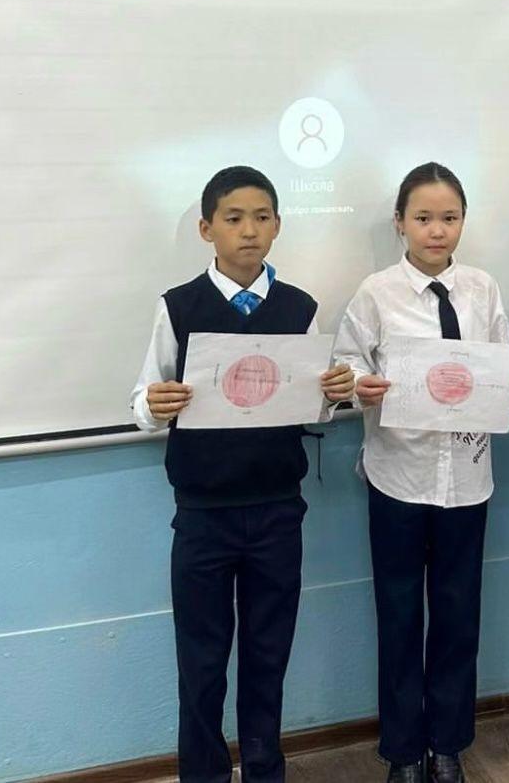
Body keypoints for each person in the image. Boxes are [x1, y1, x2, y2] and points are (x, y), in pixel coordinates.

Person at [130, 166, 355, 783]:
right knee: (201, 662)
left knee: (267, 653)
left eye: (261, 218)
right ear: (208, 229)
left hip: (278, 508)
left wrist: (334, 392)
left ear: (278, 225)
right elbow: (144, 398)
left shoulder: (300, 308)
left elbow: (313, 403)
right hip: (203, 514)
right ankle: (204, 773)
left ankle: (263, 768)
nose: (249, 231)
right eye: (233, 219)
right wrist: (153, 405)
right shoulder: (179, 306)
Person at [333, 162, 509, 783]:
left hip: (468, 481)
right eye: (423, 218)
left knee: (457, 615)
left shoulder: (482, 289)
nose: (437, 230)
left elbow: (502, 371)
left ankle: (447, 744)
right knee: (399, 616)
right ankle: (402, 751)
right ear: (400, 222)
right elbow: (345, 367)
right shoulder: (376, 293)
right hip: (398, 475)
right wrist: (359, 386)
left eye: (449, 218)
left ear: (463, 222)